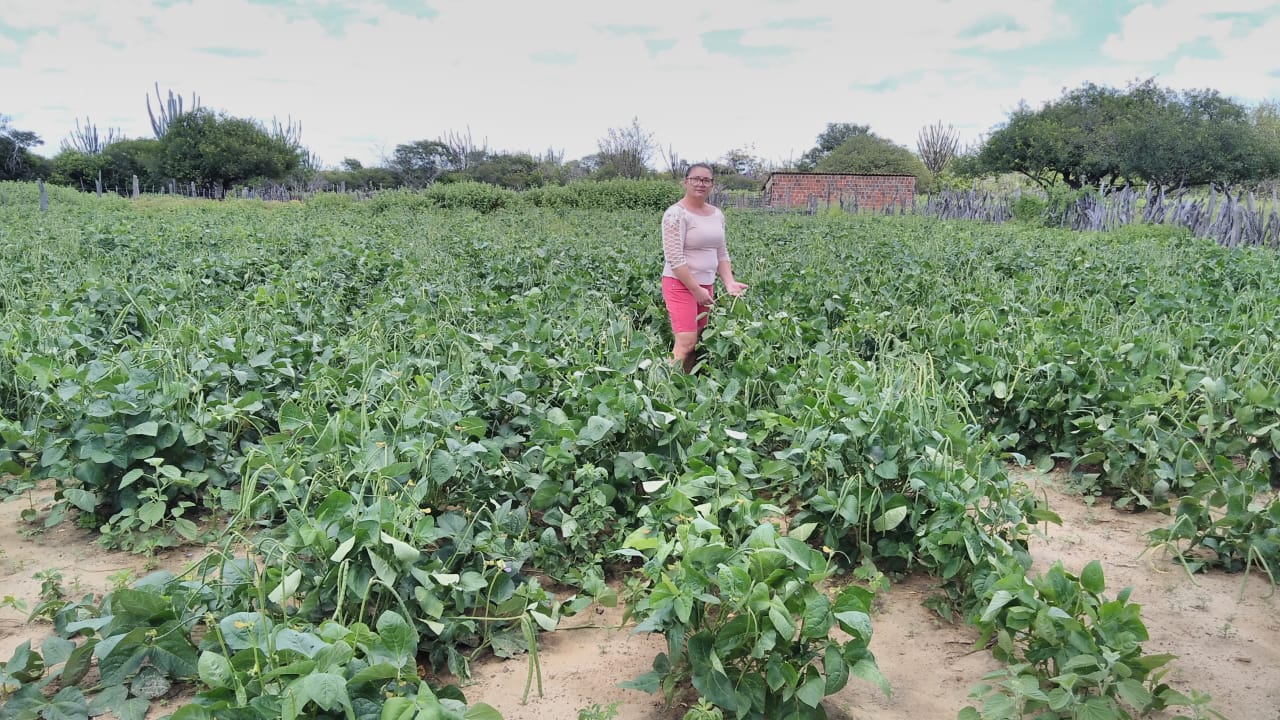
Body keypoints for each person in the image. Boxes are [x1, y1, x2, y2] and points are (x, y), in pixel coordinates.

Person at [661, 163, 748, 373]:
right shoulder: (676, 214)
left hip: (705, 285)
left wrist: (729, 282)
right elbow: (675, 259)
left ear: (712, 185)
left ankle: (687, 386)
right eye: (696, 179)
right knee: (686, 342)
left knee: (697, 339)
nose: (701, 183)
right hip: (680, 284)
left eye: (706, 180)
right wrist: (695, 290)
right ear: (685, 182)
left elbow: (721, 253)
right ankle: (664, 391)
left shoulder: (717, 214)